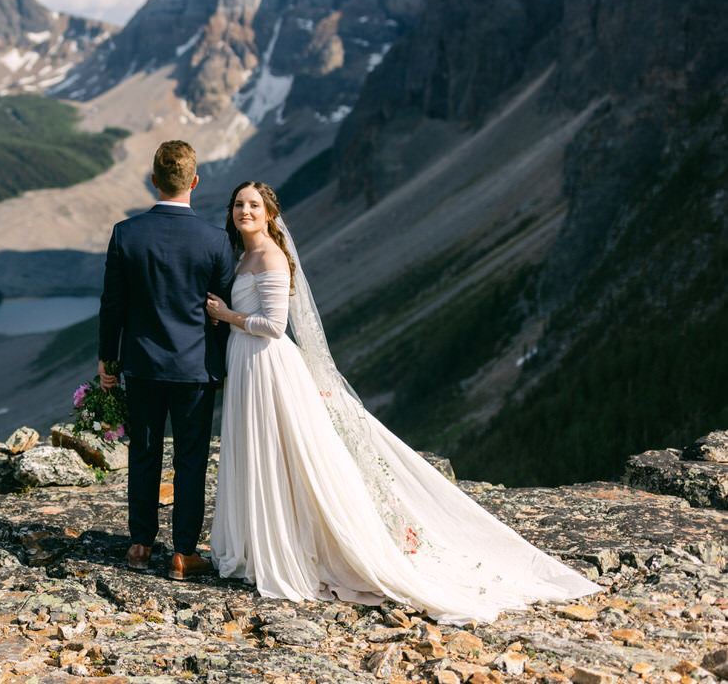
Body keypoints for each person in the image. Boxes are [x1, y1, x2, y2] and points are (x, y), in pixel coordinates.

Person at [204, 180, 598, 623]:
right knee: (261, 456)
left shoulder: (271, 257)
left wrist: (227, 316)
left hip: (267, 366)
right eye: (239, 204)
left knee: (279, 457)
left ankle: (288, 547)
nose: (244, 211)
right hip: (247, 364)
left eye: (254, 205)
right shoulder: (245, 256)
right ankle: (264, 543)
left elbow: (275, 326)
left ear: (270, 213)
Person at [98, 140, 235, 580]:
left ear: (153, 180)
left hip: (141, 365)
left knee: (144, 453)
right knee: (191, 460)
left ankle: (140, 545)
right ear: (194, 182)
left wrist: (108, 360)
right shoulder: (216, 241)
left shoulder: (126, 233)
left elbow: (112, 305)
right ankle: (182, 553)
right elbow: (224, 309)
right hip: (195, 369)